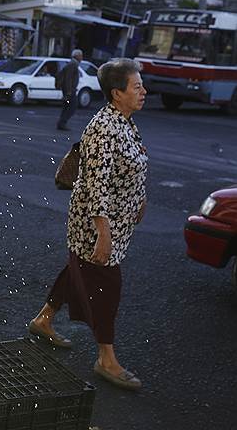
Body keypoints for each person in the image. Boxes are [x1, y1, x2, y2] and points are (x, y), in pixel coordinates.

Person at [28, 58, 148, 391]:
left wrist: (140, 199)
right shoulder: (104, 127)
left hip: (118, 220)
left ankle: (44, 319)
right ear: (116, 92)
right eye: (136, 87)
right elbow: (95, 185)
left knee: (75, 271)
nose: (143, 91)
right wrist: (103, 234)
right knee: (107, 288)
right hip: (96, 225)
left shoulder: (125, 121)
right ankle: (106, 359)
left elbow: (131, 166)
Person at [55, 49, 82, 130]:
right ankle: (62, 123)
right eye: (80, 56)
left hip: (69, 90)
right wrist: (69, 91)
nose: (81, 58)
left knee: (67, 106)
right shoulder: (73, 64)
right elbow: (68, 78)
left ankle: (61, 123)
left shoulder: (73, 64)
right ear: (77, 56)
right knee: (72, 106)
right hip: (70, 91)